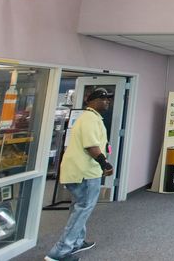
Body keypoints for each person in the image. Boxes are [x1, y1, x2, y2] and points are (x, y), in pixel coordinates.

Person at [45, 88, 114, 261]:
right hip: (85, 173)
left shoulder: (91, 118)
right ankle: (59, 252)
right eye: (103, 98)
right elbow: (91, 146)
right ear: (91, 101)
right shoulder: (90, 119)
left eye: (108, 99)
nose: (107, 101)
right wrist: (104, 163)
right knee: (83, 209)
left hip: (78, 171)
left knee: (79, 206)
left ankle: (77, 241)